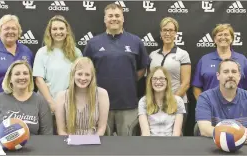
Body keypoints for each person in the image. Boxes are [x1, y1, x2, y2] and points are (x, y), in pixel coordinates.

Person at [83, 3, 149, 136]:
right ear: (105, 19)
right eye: (110, 16)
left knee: (127, 146)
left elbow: (142, 68)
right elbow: (85, 70)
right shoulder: (93, 43)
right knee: (101, 145)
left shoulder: (135, 41)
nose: (114, 18)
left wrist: (129, 78)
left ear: (123, 18)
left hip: (127, 104)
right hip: (99, 104)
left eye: (117, 15)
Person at [195, 59, 247, 144]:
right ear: (218, 76)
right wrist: (236, 134)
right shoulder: (205, 98)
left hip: (244, 148)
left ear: (239, 76)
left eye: (234, 72)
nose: (230, 75)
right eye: (226, 72)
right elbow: (205, 130)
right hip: (213, 146)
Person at [0, 60, 53, 135]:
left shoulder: (40, 101)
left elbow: (47, 136)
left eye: (25, 73)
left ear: (30, 78)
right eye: (17, 74)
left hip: (32, 147)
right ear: (10, 79)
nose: (22, 77)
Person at [192, 24, 247, 100]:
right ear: (214, 39)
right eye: (219, 35)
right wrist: (203, 105)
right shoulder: (204, 60)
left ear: (232, 38)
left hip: (237, 108)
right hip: (211, 107)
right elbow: (196, 87)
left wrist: (246, 106)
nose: (223, 37)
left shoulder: (242, 59)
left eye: (226, 35)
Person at [33, 15, 82, 113]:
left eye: (61, 28)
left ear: (67, 31)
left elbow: (80, 78)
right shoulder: (42, 52)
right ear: (50, 32)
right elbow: (38, 80)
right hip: (46, 105)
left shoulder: (76, 53)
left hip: (69, 104)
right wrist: (51, 102)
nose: (58, 32)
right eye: (54, 29)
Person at [149, 17, 191, 130]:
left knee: (175, 138)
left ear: (176, 33)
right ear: (161, 32)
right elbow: (149, 81)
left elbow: (186, 83)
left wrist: (172, 101)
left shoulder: (183, 54)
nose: (167, 33)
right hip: (155, 104)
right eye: (165, 30)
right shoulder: (153, 55)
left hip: (176, 103)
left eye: (171, 30)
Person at [54, 57, 110, 136]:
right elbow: (61, 130)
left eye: (87, 74)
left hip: (94, 142)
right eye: (79, 74)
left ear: (92, 77)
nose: (83, 78)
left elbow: (102, 128)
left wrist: (93, 143)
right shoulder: (61, 96)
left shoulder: (102, 94)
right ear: (73, 75)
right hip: (69, 142)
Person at [138, 67, 186, 136]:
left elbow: (176, 133)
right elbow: (145, 133)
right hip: (150, 142)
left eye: (161, 78)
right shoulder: (143, 101)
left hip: (171, 142)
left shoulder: (178, 101)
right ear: (150, 81)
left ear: (167, 81)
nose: (158, 82)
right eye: (155, 79)